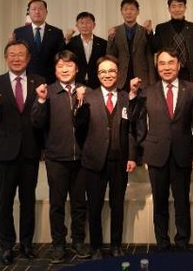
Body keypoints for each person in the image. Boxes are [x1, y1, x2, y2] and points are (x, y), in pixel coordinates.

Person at [0, 40, 44, 265]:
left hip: (30, 151)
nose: (16, 58)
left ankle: (26, 243)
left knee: (28, 200)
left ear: (28, 58)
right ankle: (6, 246)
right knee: (5, 201)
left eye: (21, 54)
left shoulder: (39, 82)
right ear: (6, 58)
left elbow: (42, 117)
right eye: (12, 54)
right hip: (5, 152)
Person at [135, 48, 193, 252]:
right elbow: (140, 125)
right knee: (160, 202)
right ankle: (162, 244)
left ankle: (182, 243)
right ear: (157, 67)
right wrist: (142, 151)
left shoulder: (191, 89)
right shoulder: (147, 91)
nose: (166, 67)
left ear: (178, 65)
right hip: (156, 154)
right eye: (162, 63)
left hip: (183, 153)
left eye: (170, 63)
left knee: (182, 202)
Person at [75, 56, 139, 259]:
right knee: (94, 206)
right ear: (97, 74)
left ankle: (116, 245)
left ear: (118, 74)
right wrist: (78, 104)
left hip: (119, 161)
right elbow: (79, 128)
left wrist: (132, 156)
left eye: (111, 71)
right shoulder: (87, 96)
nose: (107, 75)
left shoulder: (125, 98)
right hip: (94, 161)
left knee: (117, 205)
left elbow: (131, 130)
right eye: (103, 71)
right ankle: (96, 247)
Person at [31, 50, 90, 264]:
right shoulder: (48, 92)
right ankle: (58, 244)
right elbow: (36, 122)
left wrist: (82, 101)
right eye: (60, 66)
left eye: (69, 65)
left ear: (77, 68)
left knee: (79, 203)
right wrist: (40, 99)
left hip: (82, 158)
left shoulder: (86, 91)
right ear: (55, 70)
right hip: (56, 158)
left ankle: (78, 241)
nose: (65, 69)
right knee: (57, 204)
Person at [150, 0, 193, 87]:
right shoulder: (161, 28)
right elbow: (154, 48)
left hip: (188, 73)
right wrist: (149, 33)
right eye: (174, 6)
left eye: (180, 6)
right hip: (167, 72)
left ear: (185, 8)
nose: (177, 9)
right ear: (169, 9)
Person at [106, 0, 156, 91]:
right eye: (125, 9)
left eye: (132, 9)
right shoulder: (115, 31)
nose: (128, 12)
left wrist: (152, 81)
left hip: (142, 80)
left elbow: (150, 57)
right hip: (121, 80)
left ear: (138, 12)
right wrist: (111, 39)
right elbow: (110, 56)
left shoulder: (145, 31)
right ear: (121, 12)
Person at [13, 0, 65, 84]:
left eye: (40, 9)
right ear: (29, 12)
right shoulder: (19, 32)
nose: (37, 12)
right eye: (33, 9)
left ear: (46, 12)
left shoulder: (56, 33)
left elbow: (60, 57)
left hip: (50, 80)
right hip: (26, 79)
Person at [65, 11, 108, 89]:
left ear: (94, 25)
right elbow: (63, 56)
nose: (84, 26)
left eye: (88, 22)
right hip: (76, 82)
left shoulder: (103, 43)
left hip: (97, 83)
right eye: (81, 23)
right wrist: (67, 39)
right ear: (77, 26)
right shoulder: (71, 42)